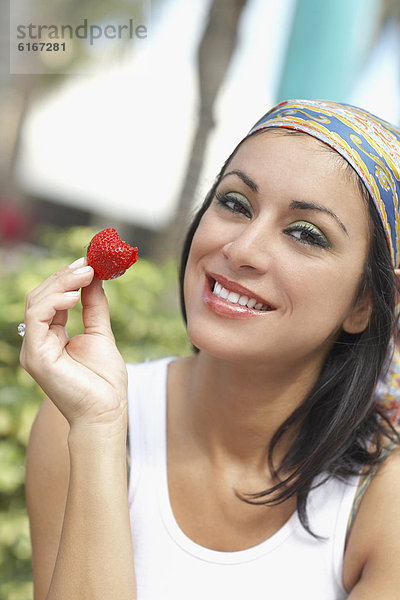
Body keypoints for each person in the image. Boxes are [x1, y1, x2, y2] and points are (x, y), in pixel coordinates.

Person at [20, 99, 400, 599]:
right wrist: (97, 430)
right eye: (235, 203)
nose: (241, 249)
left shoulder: (382, 502)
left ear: (367, 303)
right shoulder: (81, 421)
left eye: (305, 233)